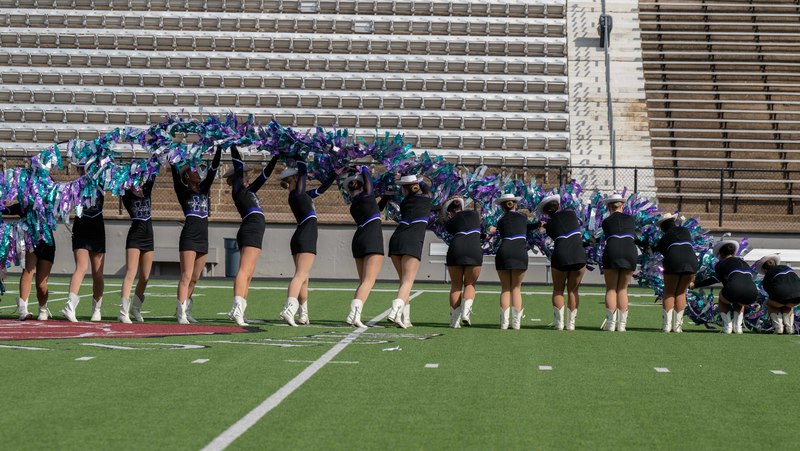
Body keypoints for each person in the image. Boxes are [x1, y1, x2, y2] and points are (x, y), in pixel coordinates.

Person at [277, 159, 340, 326]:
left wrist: (335, 174)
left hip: (301, 235)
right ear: (296, 179)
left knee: (304, 277)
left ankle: (303, 314)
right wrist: (301, 157)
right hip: (306, 236)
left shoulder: (302, 195)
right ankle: (289, 309)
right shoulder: (296, 194)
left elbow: (322, 189)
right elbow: (304, 172)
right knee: (301, 275)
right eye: (300, 177)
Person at [224, 145, 277, 326]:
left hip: (256, 230)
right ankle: (237, 307)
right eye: (245, 174)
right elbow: (238, 165)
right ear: (237, 178)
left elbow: (265, 175)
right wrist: (232, 145)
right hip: (250, 228)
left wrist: (276, 156)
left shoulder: (251, 191)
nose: (247, 176)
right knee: (244, 270)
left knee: (249, 274)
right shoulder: (238, 190)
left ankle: (240, 310)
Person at [171, 145, 221, 324]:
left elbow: (214, 169)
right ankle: (180, 312)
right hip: (189, 237)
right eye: (193, 170)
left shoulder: (204, 189)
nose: (198, 173)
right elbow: (174, 172)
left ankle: (187, 309)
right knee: (186, 275)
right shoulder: (183, 191)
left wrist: (219, 147)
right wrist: (174, 151)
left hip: (203, 238)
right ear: (186, 175)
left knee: (194, 278)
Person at [386, 174, 432, 328]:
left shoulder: (405, 201)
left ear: (405, 190)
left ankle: (405, 319)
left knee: (404, 282)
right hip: (412, 240)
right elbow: (428, 189)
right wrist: (419, 179)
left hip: (397, 239)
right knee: (408, 281)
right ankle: (394, 312)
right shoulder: (426, 199)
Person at [61, 164, 106, 323]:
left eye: (85, 168)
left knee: (97, 273)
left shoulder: (100, 181)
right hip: (81, 228)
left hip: (97, 229)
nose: (82, 171)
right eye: (80, 169)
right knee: (81, 267)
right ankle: (70, 306)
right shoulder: (75, 186)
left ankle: (97, 308)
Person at [343, 166, 386, 328]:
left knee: (363, 281)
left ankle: (353, 315)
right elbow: (369, 186)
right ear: (362, 186)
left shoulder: (354, 205)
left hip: (358, 240)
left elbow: (376, 209)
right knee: (368, 281)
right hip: (371, 239)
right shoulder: (368, 195)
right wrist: (364, 169)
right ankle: (354, 315)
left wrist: (387, 198)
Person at [536, 194, 587, 331]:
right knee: (573, 290)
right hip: (578, 255)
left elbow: (552, 236)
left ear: (546, 212)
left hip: (561, 256)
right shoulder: (571, 214)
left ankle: (559, 323)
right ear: (559, 205)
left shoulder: (549, 224)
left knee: (558, 289)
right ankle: (571, 324)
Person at [2, 203, 55, 321]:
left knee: (41, 284)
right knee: (28, 270)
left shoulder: (49, 201)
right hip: (30, 243)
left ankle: (43, 308)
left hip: (47, 244)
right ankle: (23, 309)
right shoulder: (25, 204)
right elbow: (8, 210)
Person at [694, 239, 758, 334]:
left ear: (721, 254)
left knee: (723, 297)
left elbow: (716, 279)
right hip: (752, 293)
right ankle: (738, 327)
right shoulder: (744, 263)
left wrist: (696, 285)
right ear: (733, 253)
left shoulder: (721, 263)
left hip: (734, 290)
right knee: (740, 301)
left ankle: (727, 326)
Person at [118, 170, 157, 323]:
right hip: (134, 237)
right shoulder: (127, 195)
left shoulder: (146, 190)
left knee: (145, 276)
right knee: (131, 272)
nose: (136, 182)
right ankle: (123, 311)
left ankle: (136, 308)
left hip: (149, 237)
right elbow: (120, 182)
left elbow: (153, 174)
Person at [441, 196, 483, 328]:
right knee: (470, 283)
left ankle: (454, 321)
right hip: (473, 248)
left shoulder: (450, 222)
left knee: (456, 285)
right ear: (462, 206)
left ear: (450, 212)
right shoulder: (475, 215)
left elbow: (449, 228)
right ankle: (466, 312)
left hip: (456, 248)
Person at [492, 193, 532, 330]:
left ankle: (504, 323)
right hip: (520, 252)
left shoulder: (500, 221)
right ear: (515, 205)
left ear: (503, 207)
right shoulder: (523, 217)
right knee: (516, 288)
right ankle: (516, 323)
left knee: (505, 288)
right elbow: (529, 227)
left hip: (504, 251)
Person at [654, 213, 699, 333]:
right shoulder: (685, 231)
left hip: (673, 260)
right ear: (674, 222)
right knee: (681, 292)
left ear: (663, 228)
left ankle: (666, 326)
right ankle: (678, 326)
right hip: (691, 260)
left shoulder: (665, 237)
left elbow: (661, 251)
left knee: (669, 291)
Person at [600, 194, 638, 332]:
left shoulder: (606, 221)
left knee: (611, 288)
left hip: (612, 249)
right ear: (622, 205)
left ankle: (610, 324)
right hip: (629, 250)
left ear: (609, 207)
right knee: (622, 289)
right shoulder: (631, 219)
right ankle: (622, 325)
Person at [756, 254, 799, 335]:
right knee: (788, 304)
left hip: (781, 295)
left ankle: (778, 327)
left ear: (765, 270)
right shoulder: (787, 268)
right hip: (797, 295)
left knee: (772, 303)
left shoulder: (768, 275)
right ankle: (789, 327)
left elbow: (770, 293)